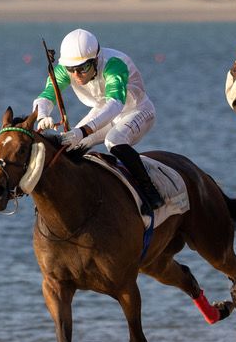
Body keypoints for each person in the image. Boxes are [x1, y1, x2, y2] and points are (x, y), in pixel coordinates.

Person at [32, 28, 165, 212]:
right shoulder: (66, 70)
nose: (77, 75)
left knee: (114, 140)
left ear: (96, 59)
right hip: (105, 111)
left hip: (137, 111)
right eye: (71, 70)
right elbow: (46, 96)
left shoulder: (114, 65)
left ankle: (150, 192)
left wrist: (83, 131)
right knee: (67, 146)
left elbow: (115, 105)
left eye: (83, 68)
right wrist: (42, 115)